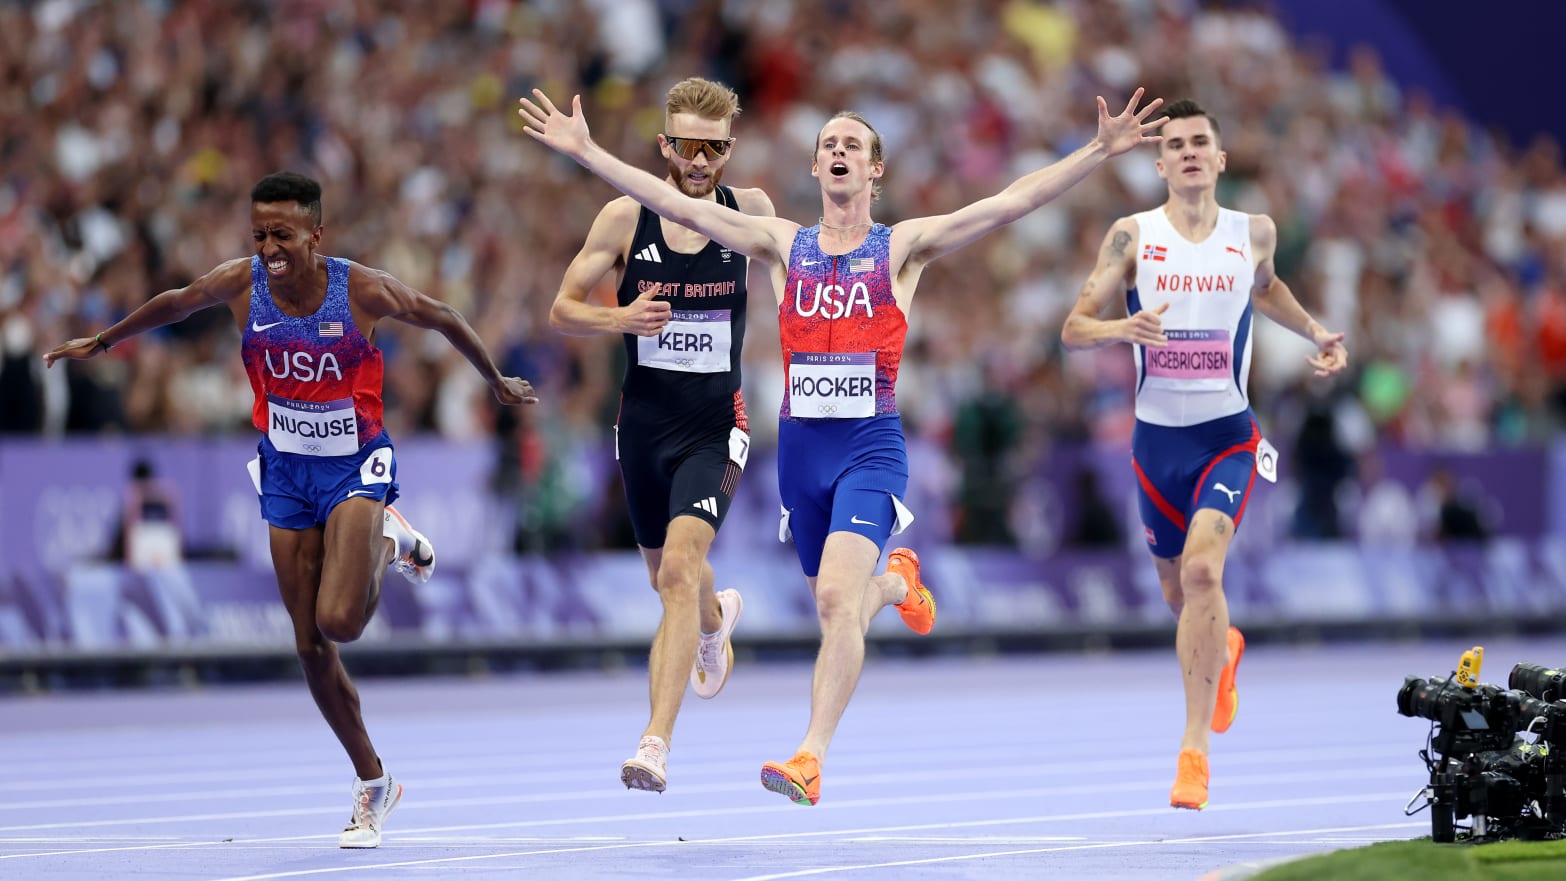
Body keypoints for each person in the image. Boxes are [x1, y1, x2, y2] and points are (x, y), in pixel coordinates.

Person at [520, 85, 1165, 806]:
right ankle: (896, 583)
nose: (837, 151)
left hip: (869, 445)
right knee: (845, 602)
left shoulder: (903, 248)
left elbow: (1008, 202)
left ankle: (810, 755)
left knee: (833, 599)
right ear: (817, 164)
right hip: (801, 452)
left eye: (852, 144)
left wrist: (1095, 152)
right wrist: (588, 153)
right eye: (828, 143)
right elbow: (675, 205)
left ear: (875, 171)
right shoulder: (780, 244)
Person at [44, 172, 539, 847]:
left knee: (342, 618)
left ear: (316, 233)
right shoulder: (242, 283)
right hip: (284, 467)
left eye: (282, 233)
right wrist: (103, 340)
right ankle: (374, 783)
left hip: (354, 463)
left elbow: (441, 315)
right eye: (259, 234)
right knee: (309, 645)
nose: (269, 247)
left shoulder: (358, 288)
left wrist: (496, 381)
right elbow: (177, 302)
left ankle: (391, 540)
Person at [1061, 99, 1348, 810]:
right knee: (1177, 594)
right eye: (1177, 144)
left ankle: (1194, 750)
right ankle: (1224, 650)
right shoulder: (1131, 236)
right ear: (1159, 164)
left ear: (1220, 160)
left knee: (1199, 572)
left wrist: (1316, 331)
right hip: (1156, 445)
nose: (1189, 151)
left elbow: (1268, 287)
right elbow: (1073, 327)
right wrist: (1121, 325)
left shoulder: (1254, 232)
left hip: (1227, 437)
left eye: (1201, 143)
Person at [547, 77, 775, 793]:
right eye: (686, 146)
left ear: (729, 149)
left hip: (717, 426)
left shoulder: (752, 212)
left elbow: (801, 280)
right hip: (643, 427)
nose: (699, 160)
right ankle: (716, 619)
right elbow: (562, 309)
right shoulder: (623, 218)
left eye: (713, 148)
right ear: (663, 145)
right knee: (667, 577)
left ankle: (654, 743)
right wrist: (621, 320)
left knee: (677, 570)